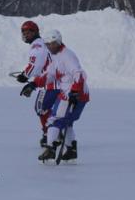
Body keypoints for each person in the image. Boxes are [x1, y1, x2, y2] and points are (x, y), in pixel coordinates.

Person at [21, 29, 88, 164]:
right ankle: (71, 150)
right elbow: (49, 75)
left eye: (52, 43)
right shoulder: (57, 57)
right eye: (47, 44)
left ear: (58, 42)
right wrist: (33, 84)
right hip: (74, 93)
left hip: (72, 93)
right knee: (66, 122)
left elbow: (79, 74)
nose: (49, 46)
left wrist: (75, 93)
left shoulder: (67, 56)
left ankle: (50, 148)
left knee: (54, 120)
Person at [12, 20, 56, 148]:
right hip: (50, 80)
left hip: (48, 83)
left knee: (40, 107)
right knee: (52, 109)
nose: (25, 34)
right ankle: (58, 134)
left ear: (35, 32)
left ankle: (49, 134)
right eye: (23, 31)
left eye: (28, 31)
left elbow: (36, 63)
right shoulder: (42, 43)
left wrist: (25, 75)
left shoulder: (37, 45)